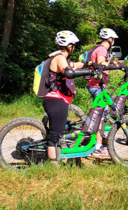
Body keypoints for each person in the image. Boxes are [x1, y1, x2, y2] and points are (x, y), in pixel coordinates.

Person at [43, 30, 94, 163]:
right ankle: (53, 164)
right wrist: (86, 72)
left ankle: (56, 158)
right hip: (56, 100)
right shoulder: (59, 58)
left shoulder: (63, 59)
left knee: (58, 132)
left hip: (59, 100)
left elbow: (74, 65)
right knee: (54, 135)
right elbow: (69, 72)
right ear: (68, 46)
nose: (74, 47)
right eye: (73, 45)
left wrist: (89, 65)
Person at [86, 28, 120, 156]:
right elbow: (101, 63)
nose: (114, 41)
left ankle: (100, 139)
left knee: (103, 112)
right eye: (113, 39)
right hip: (96, 86)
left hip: (98, 85)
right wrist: (114, 64)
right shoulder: (102, 49)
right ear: (110, 39)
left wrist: (112, 63)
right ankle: (97, 147)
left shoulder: (99, 48)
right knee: (101, 115)